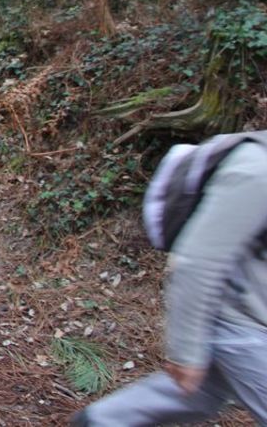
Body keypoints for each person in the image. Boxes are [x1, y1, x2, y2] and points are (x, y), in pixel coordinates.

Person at [71, 141, 267, 426]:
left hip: (251, 321)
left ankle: (101, 421)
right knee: (194, 391)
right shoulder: (257, 170)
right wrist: (186, 351)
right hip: (239, 323)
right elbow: (198, 260)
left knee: (196, 396)